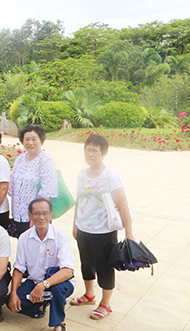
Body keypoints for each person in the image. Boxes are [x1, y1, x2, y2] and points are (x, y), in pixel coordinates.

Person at [70, 135, 135, 320]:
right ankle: (89, 295)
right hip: (83, 229)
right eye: (88, 149)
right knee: (86, 264)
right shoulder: (81, 174)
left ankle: (105, 303)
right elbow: (79, 199)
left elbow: (123, 205)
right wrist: (75, 223)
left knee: (105, 267)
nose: (90, 153)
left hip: (104, 231)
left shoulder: (110, 176)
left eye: (95, 150)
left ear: (103, 153)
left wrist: (129, 233)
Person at [8, 198, 75, 331]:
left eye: (45, 213)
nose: (41, 217)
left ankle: (59, 323)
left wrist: (43, 285)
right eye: (36, 213)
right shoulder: (24, 238)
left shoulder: (61, 237)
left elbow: (68, 271)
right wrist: (13, 293)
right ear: (30, 216)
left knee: (57, 290)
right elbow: (19, 268)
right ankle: (42, 303)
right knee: (13, 304)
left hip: (58, 283)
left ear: (51, 215)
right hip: (35, 281)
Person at [8, 124, 58, 237]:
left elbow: (47, 192)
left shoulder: (45, 161)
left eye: (34, 139)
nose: (30, 143)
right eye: (27, 139)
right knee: (22, 247)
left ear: (41, 140)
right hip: (19, 215)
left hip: (37, 217)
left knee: (38, 249)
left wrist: (36, 217)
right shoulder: (19, 159)